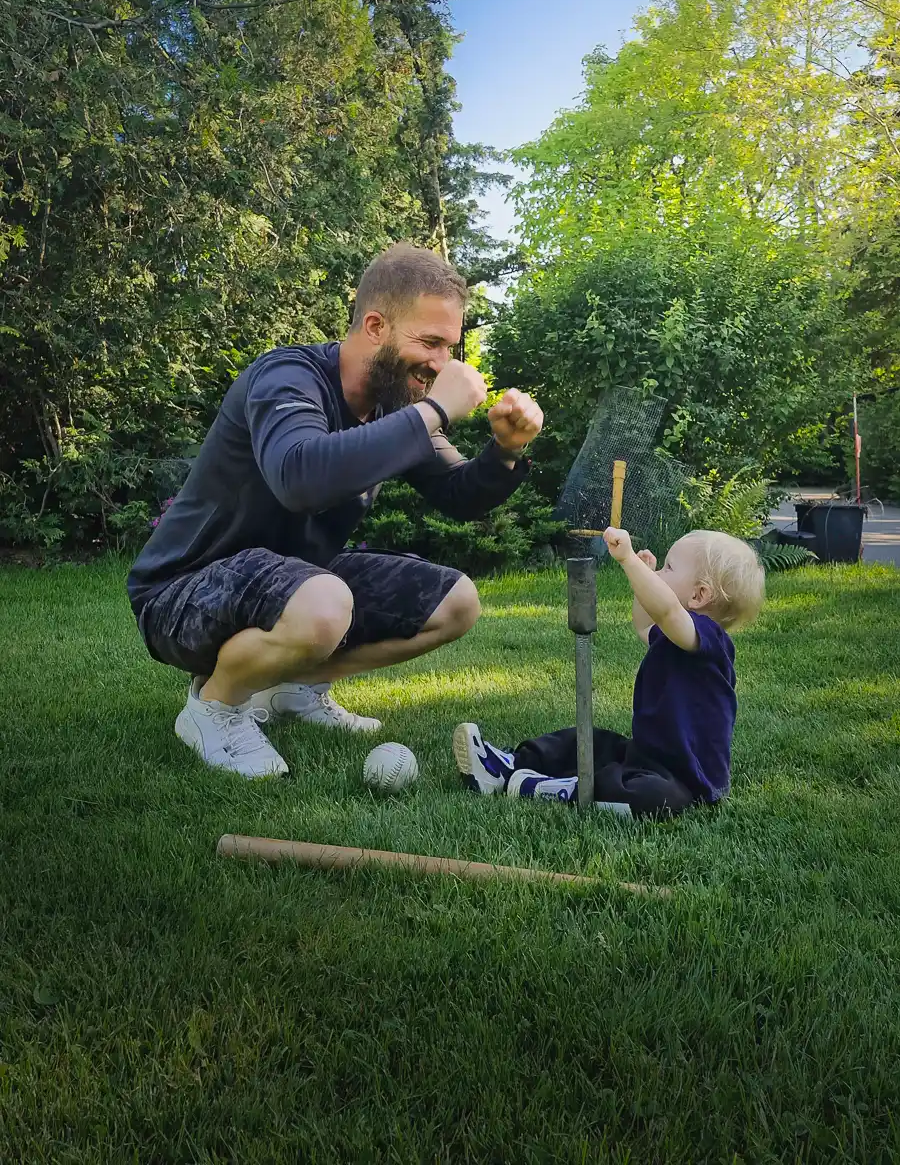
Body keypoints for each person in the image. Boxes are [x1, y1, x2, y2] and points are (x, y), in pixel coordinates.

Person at [127, 244, 543, 778]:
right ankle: (215, 707)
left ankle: (292, 690)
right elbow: (299, 477)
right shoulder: (287, 377)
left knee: (456, 602)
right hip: (183, 590)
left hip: (298, 581)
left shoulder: (393, 406)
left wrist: (505, 450)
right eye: (429, 342)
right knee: (323, 603)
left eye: (449, 346)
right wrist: (436, 410)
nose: (442, 363)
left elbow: (458, 493)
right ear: (375, 325)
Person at [453, 527, 765, 818]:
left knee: (655, 797)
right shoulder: (677, 635)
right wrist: (641, 583)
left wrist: (630, 561)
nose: (658, 574)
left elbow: (668, 611)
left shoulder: (709, 639)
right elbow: (645, 625)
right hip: (644, 754)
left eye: (668, 568)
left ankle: (564, 790)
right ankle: (506, 764)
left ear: (699, 595)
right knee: (586, 741)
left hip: (685, 780)